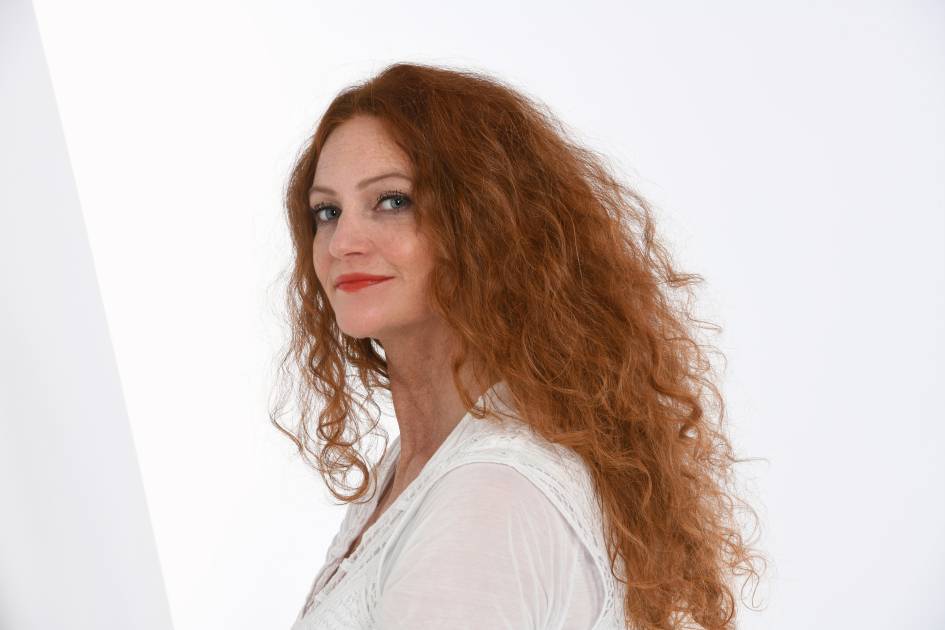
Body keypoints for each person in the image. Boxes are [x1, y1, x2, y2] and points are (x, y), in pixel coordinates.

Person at [271, 62, 766, 630]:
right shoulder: (423, 464)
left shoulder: (487, 495)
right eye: (327, 211)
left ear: (488, 222)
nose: (343, 242)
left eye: (392, 201)